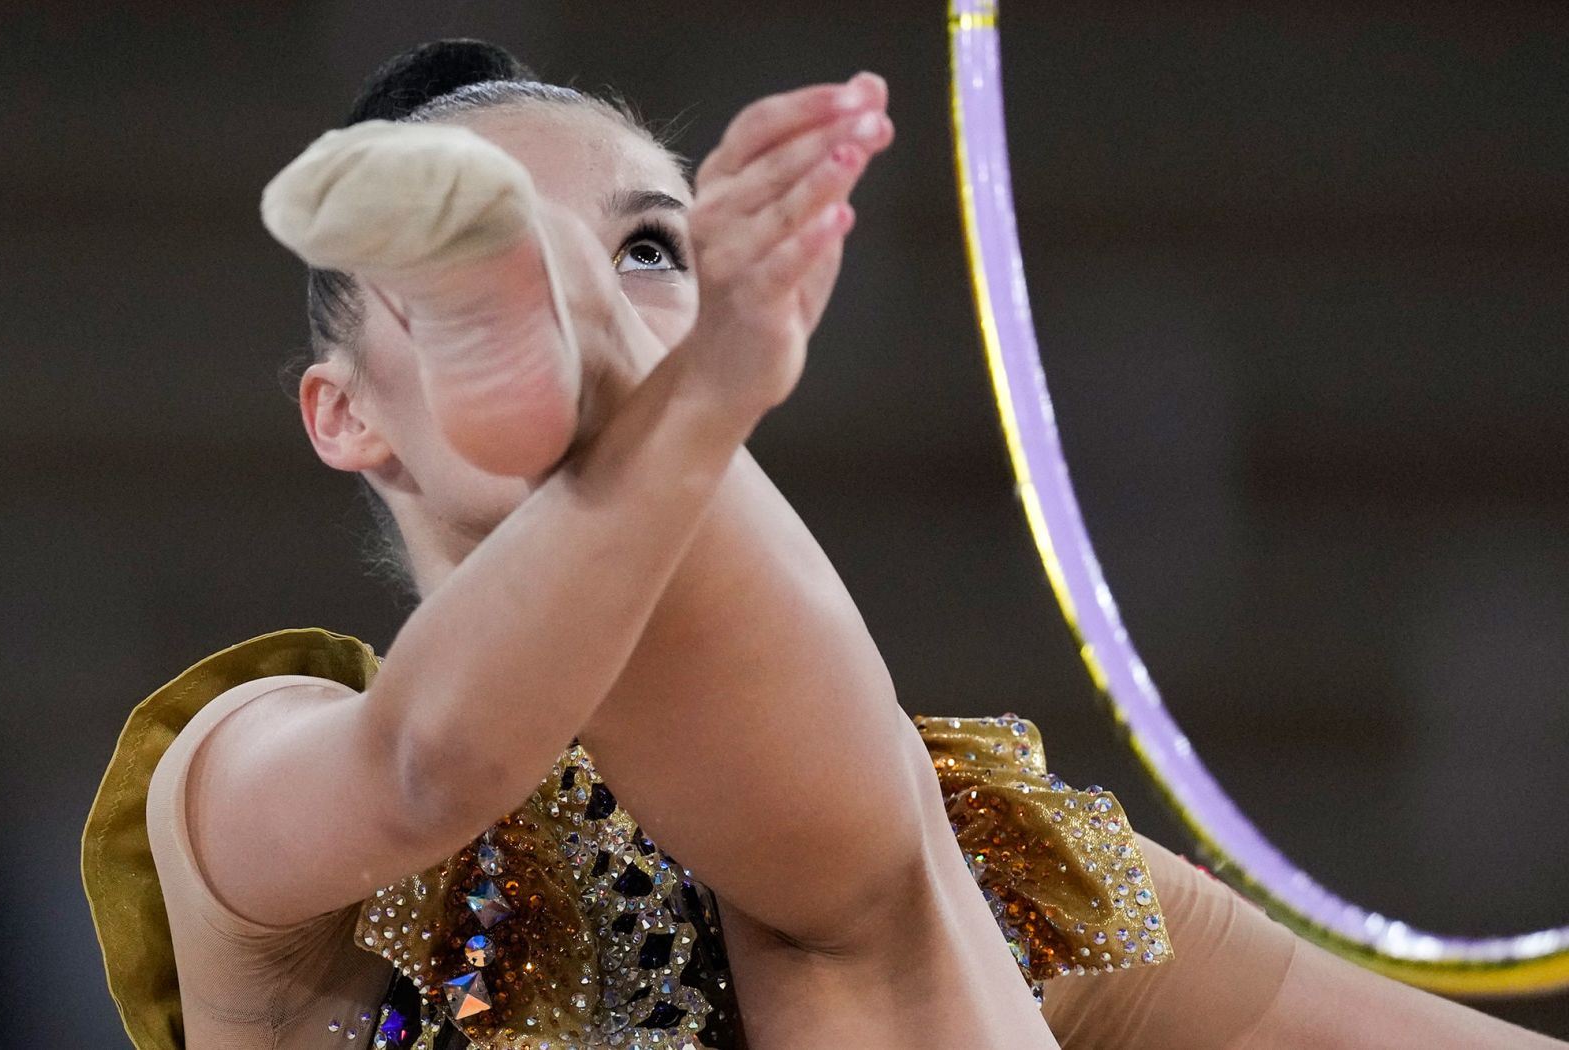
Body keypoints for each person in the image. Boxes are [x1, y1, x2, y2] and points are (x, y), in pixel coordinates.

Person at [82, 38, 1563, 1050]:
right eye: (492, 249)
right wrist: (709, 387)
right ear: (345, 416)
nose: (621, 277)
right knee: (860, 881)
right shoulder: (250, 751)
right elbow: (429, 765)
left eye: (648, 247)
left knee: (877, 881)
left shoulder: (953, 838)